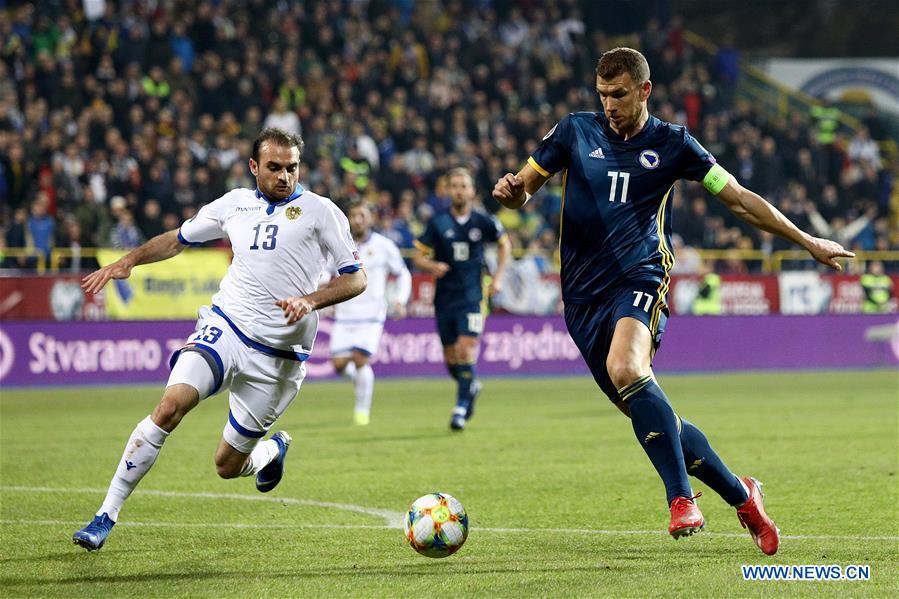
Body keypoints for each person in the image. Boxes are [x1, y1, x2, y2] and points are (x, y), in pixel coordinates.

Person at [492, 48, 854, 555]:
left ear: (644, 90)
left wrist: (809, 242)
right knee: (655, 417)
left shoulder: (674, 144)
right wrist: (511, 194)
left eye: (619, 95)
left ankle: (681, 498)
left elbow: (739, 198)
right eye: (602, 95)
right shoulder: (574, 131)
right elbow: (522, 189)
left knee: (626, 365)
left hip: (641, 275)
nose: (610, 105)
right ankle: (743, 496)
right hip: (580, 296)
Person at [72, 128, 367, 551]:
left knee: (227, 466)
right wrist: (129, 260)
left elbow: (355, 279)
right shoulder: (234, 204)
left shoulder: (322, 212)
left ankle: (269, 453)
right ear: (254, 167)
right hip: (227, 327)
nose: (284, 176)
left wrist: (310, 300)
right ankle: (105, 515)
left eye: (292, 168)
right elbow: (177, 239)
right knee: (170, 406)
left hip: (279, 357)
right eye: (274, 167)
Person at [413, 168, 511, 430]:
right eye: (454, 185)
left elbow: (505, 244)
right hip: (445, 298)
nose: (458, 190)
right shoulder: (437, 222)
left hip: (473, 297)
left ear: (472, 191)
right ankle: (471, 386)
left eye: (463, 185)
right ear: (447, 191)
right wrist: (431, 266)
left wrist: (498, 278)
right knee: (451, 359)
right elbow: (418, 255)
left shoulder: (482, 220)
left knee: (467, 349)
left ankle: (459, 409)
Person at [326, 199, 412, 425]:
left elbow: (402, 273)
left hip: (372, 314)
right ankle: (362, 383)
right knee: (339, 364)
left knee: (360, 358)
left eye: (362, 215)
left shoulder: (384, 246)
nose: (358, 220)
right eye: (353, 216)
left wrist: (400, 300)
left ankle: (361, 411)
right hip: (345, 313)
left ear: (370, 218)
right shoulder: (339, 246)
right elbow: (324, 273)